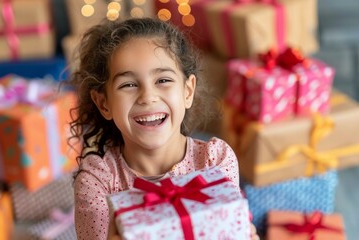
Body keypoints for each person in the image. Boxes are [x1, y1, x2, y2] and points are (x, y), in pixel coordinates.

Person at [69, 17, 258, 240]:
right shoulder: (98, 180)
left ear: (187, 92)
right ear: (104, 103)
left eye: (163, 80)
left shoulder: (214, 161)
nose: (148, 97)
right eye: (128, 84)